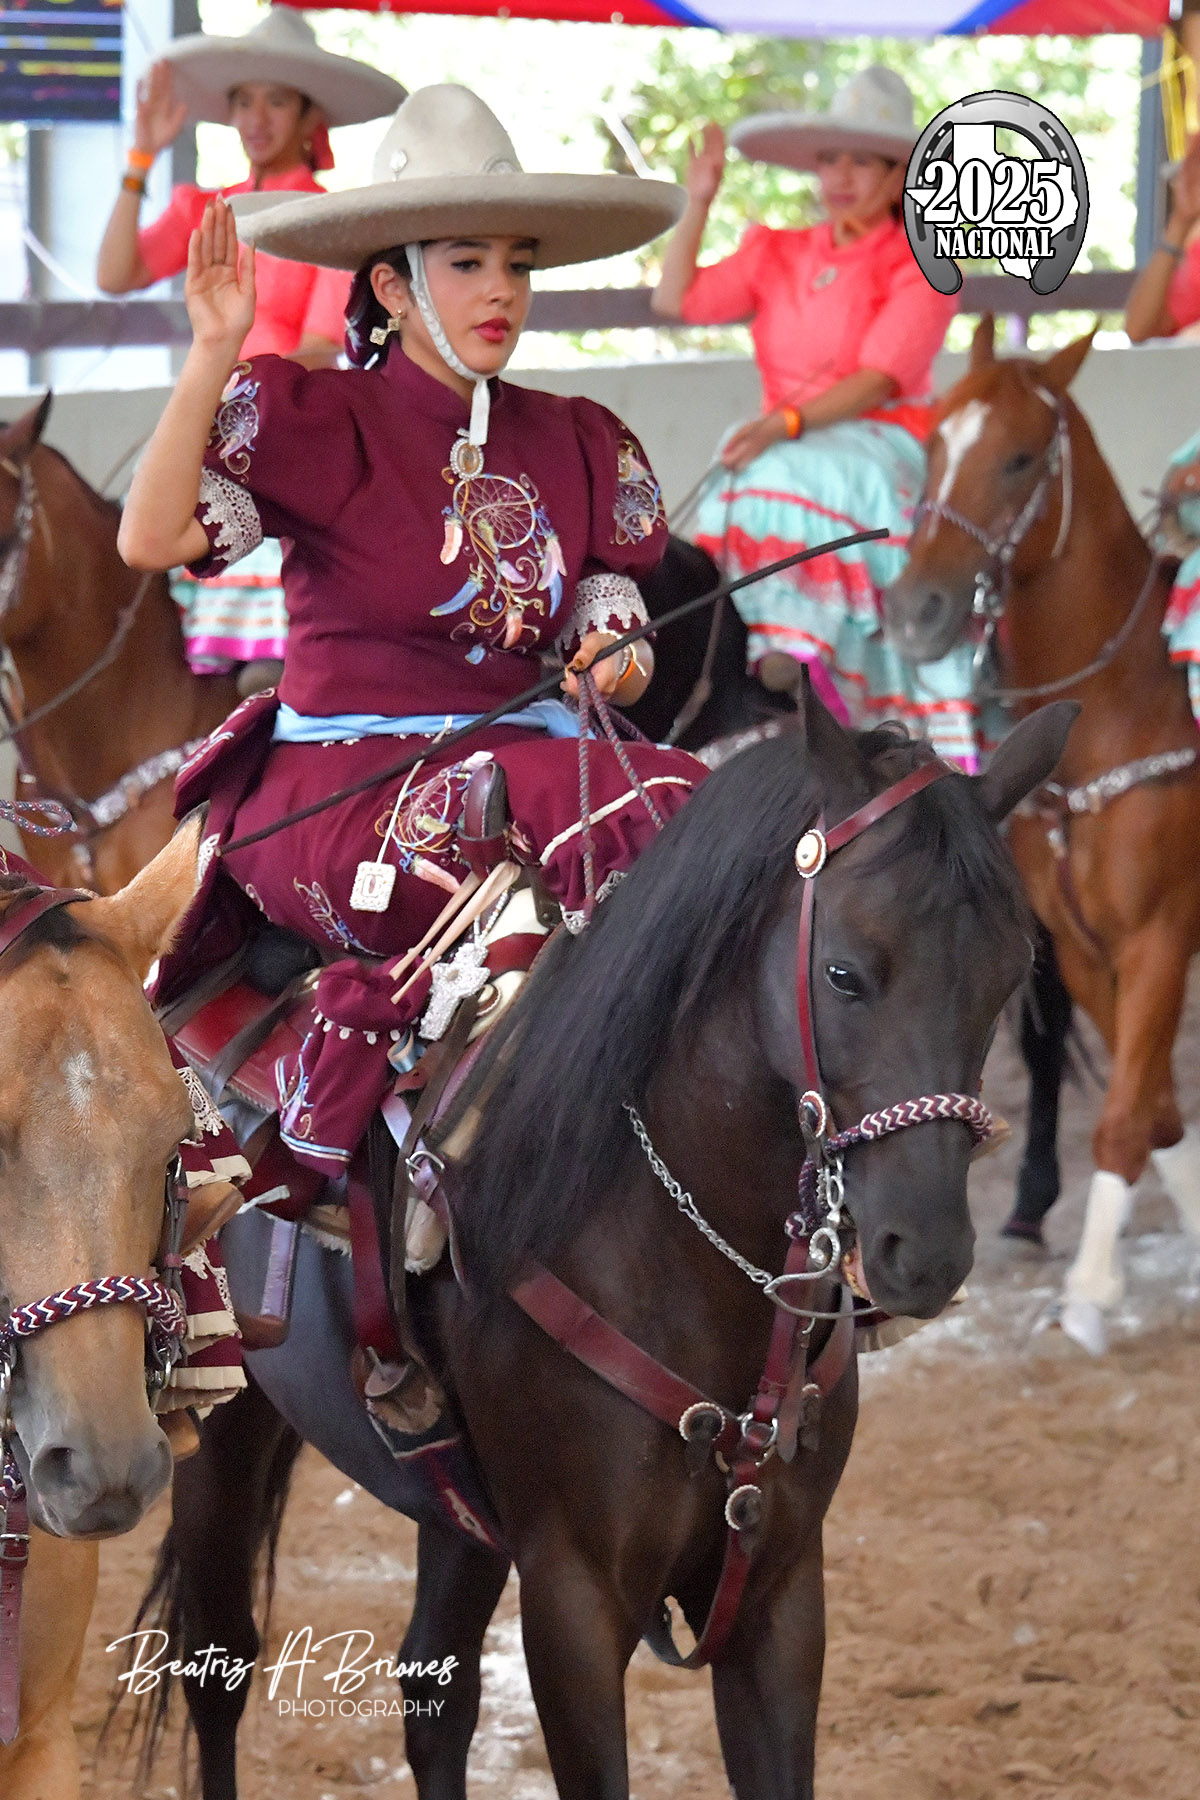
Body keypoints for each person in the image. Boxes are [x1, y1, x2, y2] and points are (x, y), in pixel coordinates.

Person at [119, 82, 700, 1191]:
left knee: (691, 802)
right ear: (392, 284)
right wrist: (211, 350)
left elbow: (618, 637)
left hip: (525, 771)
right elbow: (150, 540)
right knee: (597, 805)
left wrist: (614, 662)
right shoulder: (313, 415)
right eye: (467, 262)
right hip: (339, 792)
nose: (502, 290)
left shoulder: (581, 439)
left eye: (517, 263)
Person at [653, 66, 983, 768]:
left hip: (882, 442)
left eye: (862, 161)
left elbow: (878, 379)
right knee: (743, 468)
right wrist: (698, 201)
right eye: (830, 159)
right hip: (777, 448)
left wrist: (785, 425)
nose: (840, 176)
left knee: (788, 467)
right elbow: (674, 300)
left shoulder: (923, 261)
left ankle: (805, 657)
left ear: (899, 176)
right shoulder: (779, 251)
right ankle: (747, 657)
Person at [99, 8, 406, 689]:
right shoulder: (206, 210)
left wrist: (227, 384)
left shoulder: (329, 220)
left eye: (276, 101)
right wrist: (140, 158)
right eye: (243, 101)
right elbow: (115, 274)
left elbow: (323, 350)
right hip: (204, 432)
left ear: (309, 116)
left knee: (263, 673)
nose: (255, 118)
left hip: (283, 438)